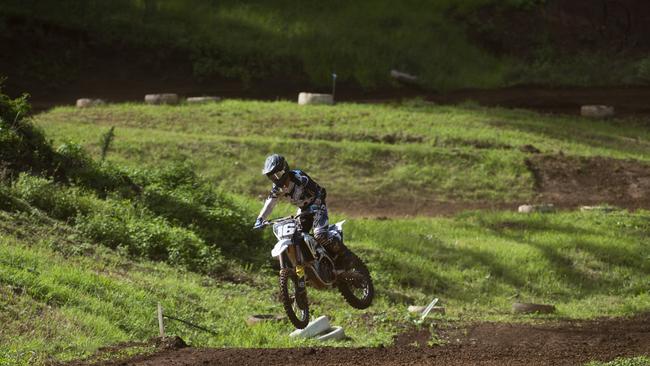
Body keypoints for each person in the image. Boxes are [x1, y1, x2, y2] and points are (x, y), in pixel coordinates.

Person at [253, 154, 351, 266]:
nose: (276, 179)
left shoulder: (299, 177)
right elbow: (270, 204)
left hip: (317, 206)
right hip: (303, 210)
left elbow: (320, 191)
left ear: (284, 169)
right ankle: (314, 262)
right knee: (297, 236)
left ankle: (345, 256)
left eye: (277, 174)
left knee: (319, 235)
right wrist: (260, 219)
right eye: (272, 177)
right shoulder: (277, 189)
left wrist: (316, 204)